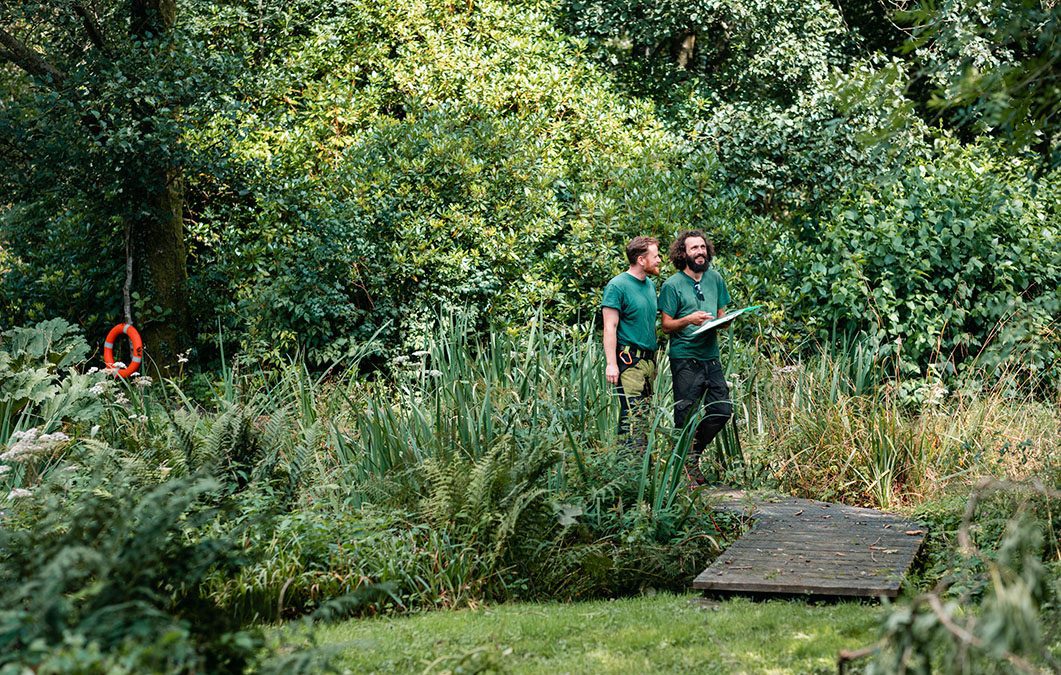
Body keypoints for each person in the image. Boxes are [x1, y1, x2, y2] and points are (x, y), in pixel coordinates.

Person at [659, 230, 732, 486]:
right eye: (694, 249)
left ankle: (691, 455)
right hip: (685, 358)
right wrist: (689, 320)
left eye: (702, 247)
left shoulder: (715, 278)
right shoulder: (672, 285)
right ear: (683, 254)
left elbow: (721, 315)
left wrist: (725, 320)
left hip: (710, 356)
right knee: (685, 415)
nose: (700, 252)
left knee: (722, 410)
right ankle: (685, 469)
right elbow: (666, 326)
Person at [602, 236, 662, 442]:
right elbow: (609, 326)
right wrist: (611, 364)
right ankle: (630, 468)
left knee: (643, 419)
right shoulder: (617, 286)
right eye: (655, 256)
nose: (659, 260)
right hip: (629, 362)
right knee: (633, 419)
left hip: (648, 362)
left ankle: (639, 468)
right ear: (641, 259)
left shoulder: (650, 286)